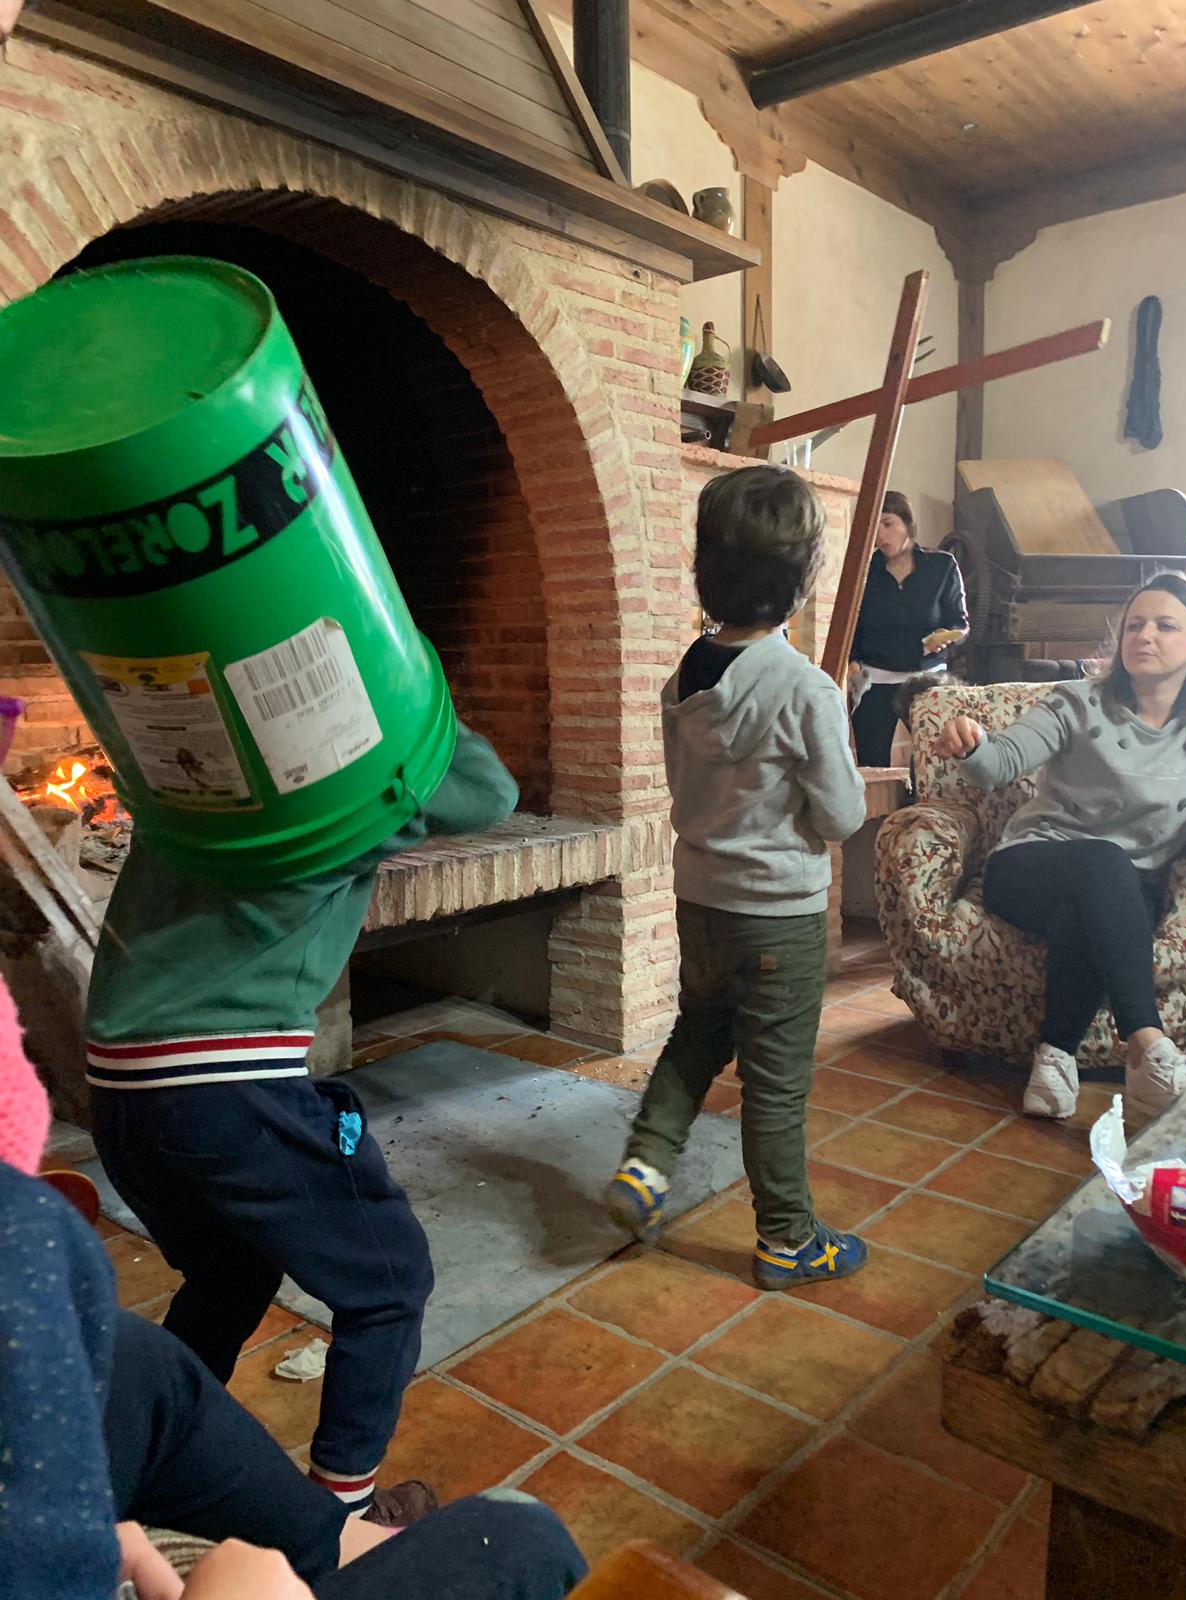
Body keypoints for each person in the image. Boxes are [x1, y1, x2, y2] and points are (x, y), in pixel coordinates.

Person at [0, 974, 586, 1600]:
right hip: (216, 1076)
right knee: (519, 1530)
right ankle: (352, 1509)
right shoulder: (31, 1246)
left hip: (119, 1084)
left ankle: (325, 1536)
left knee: (199, 1301)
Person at [86, 721, 519, 1524]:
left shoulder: (184, 765)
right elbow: (487, 791)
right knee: (389, 1283)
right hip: (224, 1087)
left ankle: (134, 1469)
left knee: (229, 1274)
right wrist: (411, 691)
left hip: (121, 1088)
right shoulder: (339, 791)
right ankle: (342, 1522)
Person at [604, 465, 867, 1289]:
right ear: (803, 577)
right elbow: (842, 816)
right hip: (779, 918)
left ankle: (646, 1163)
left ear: (705, 570)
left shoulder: (683, 677)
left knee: (698, 1031)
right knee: (775, 1086)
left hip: (701, 901)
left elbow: (690, 788)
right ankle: (788, 1239)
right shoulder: (806, 689)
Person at [932, 572, 1186, 1121]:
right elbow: (1001, 761)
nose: (1145, 635)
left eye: (1165, 625)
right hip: (1030, 866)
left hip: (1128, 893)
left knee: (1087, 912)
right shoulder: (1078, 702)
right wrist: (971, 741)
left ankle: (1053, 1057)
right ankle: (1148, 1046)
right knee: (1102, 862)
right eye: (1135, 624)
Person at [849, 491, 968, 767]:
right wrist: (851, 659)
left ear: (908, 524)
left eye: (888, 523)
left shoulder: (942, 567)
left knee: (937, 763)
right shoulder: (863, 571)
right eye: (874, 526)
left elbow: (960, 624)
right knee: (872, 767)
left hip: (928, 681)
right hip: (874, 682)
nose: (880, 534)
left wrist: (947, 637)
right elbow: (852, 622)